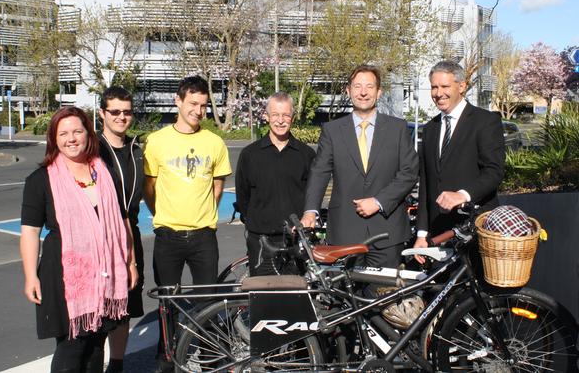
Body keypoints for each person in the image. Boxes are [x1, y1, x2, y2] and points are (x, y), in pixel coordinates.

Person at [20, 107, 137, 373]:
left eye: (77, 131)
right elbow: (30, 231)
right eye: (63, 133)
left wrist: (130, 263)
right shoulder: (41, 180)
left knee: (96, 345)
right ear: (54, 138)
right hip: (64, 276)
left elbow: (121, 220)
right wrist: (30, 276)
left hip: (106, 273)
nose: (70, 139)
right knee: (71, 346)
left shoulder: (104, 174)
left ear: (88, 135)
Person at [143, 75, 232, 373]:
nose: (198, 110)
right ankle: (165, 358)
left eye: (204, 105)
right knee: (168, 302)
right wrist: (166, 215)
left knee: (207, 303)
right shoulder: (156, 142)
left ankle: (209, 356)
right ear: (178, 101)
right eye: (193, 103)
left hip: (203, 236)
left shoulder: (214, 143)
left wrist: (202, 215)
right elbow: (150, 188)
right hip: (167, 236)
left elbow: (217, 187)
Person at [301, 65, 418, 268]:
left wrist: (379, 201)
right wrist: (310, 211)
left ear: (378, 92)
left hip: (387, 230)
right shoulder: (332, 131)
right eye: (357, 86)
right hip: (345, 230)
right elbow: (319, 172)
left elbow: (409, 172)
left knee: (383, 296)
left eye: (369, 86)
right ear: (348, 91)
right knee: (346, 298)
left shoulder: (397, 128)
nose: (363, 92)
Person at [413, 60, 505, 264]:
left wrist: (463, 195)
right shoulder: (429, 129)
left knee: (479, 295)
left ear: (462, 86)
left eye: (445, 86)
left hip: (476, 229)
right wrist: (421, 234)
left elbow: (494, 171)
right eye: (434, 87)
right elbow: (426, 185)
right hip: (438, 234)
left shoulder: (486, 121)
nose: (438, 93)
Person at [236, 92, 316, 276]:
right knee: (263, 299)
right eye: (275, 115)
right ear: (266, 116)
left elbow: (312, 195)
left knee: (295, 299)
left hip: (296, 241)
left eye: (286, 115)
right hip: (260, 242)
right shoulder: (250, 155)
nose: (280, 120)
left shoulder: (306, 155)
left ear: (292, 118)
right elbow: (243, 196)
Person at [98, 87, 145, 373]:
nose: (121, 117)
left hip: (131, 235)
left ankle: (116, 365)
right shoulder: (93, 149)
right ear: (103, 113)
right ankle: (93, 359)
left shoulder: (136, 150)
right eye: (114, 111)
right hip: (101, 238)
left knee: (125, 306)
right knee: (101, 305)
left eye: (126, 112)